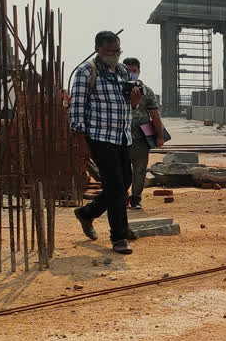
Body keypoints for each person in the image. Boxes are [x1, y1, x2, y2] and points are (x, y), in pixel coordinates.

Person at [69, 31, 142, 254]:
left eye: (117, 51)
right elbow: (77, 108)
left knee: (124, 181)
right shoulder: (86, 71)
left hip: (121, 135)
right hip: (100, 136)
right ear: (98, 49)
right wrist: (80, 139)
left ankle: (87, 213)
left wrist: (134, 102)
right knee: (115, 186)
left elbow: (124, 104)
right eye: (110, 51)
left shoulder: (121, 71)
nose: (114, 55)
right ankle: (119, 237)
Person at [123, 57, 163, 210]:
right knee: (121, 169)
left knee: (139, 169)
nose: (132, 74)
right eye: (128, 71)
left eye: (134, 71)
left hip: (140, 138)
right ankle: (123, 197)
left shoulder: (146, 91)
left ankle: (136, 198)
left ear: (139, 72)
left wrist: (159, 136)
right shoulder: (116, 89)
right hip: (120, 137)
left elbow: (154, 114)